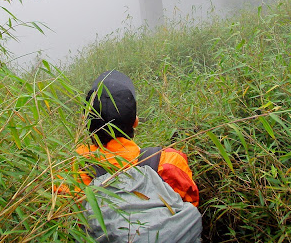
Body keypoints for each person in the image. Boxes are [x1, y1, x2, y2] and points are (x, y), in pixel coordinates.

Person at [77, 70, 202, 242]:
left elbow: (71, 223)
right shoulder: (169, 161)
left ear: (86, 122)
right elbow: (192, 201)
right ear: (135, 121)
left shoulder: (75, 168)